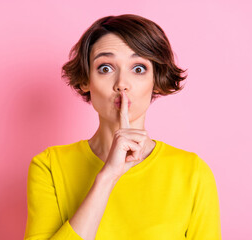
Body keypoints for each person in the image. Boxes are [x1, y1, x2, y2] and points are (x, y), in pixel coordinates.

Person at [24, 14, 221, 240]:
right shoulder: (49, 166)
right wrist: (108, 176)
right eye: (105, 68)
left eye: (138, 69)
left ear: (155, 80)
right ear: (85, 80)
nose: (121, 84)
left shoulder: (193, 173)